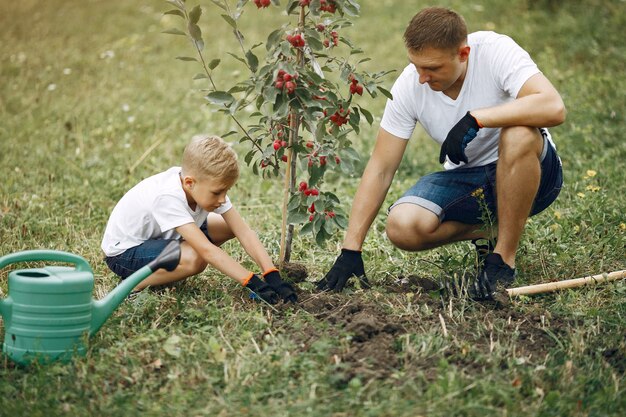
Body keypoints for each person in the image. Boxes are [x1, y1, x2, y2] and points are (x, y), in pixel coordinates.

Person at [317, 7, 565, 300]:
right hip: (469, 181)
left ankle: (503, 259)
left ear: (463, 54)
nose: (422, 77)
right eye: (416, 65)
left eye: (432, 68)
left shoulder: (496, 51)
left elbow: (553, 106)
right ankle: (490, 231)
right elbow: (381, 168)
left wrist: (479, 117)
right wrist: (351, 248)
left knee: (519, 133)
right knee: (403, 227)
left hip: (535, 174)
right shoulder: (410, 85)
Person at [101, 135, 297, 304]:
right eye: (218, 192)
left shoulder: (203, 182)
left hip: (159, 238)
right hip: (125, 253)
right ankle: (133, 284)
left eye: (226, 191)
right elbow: (207, 250)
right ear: (189, 183)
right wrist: (252, 282)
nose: (222, 199)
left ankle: (171, 266)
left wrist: (271, 275)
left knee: (225, 227)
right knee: (196, 258)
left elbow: (243, 231)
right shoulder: (168, 197)